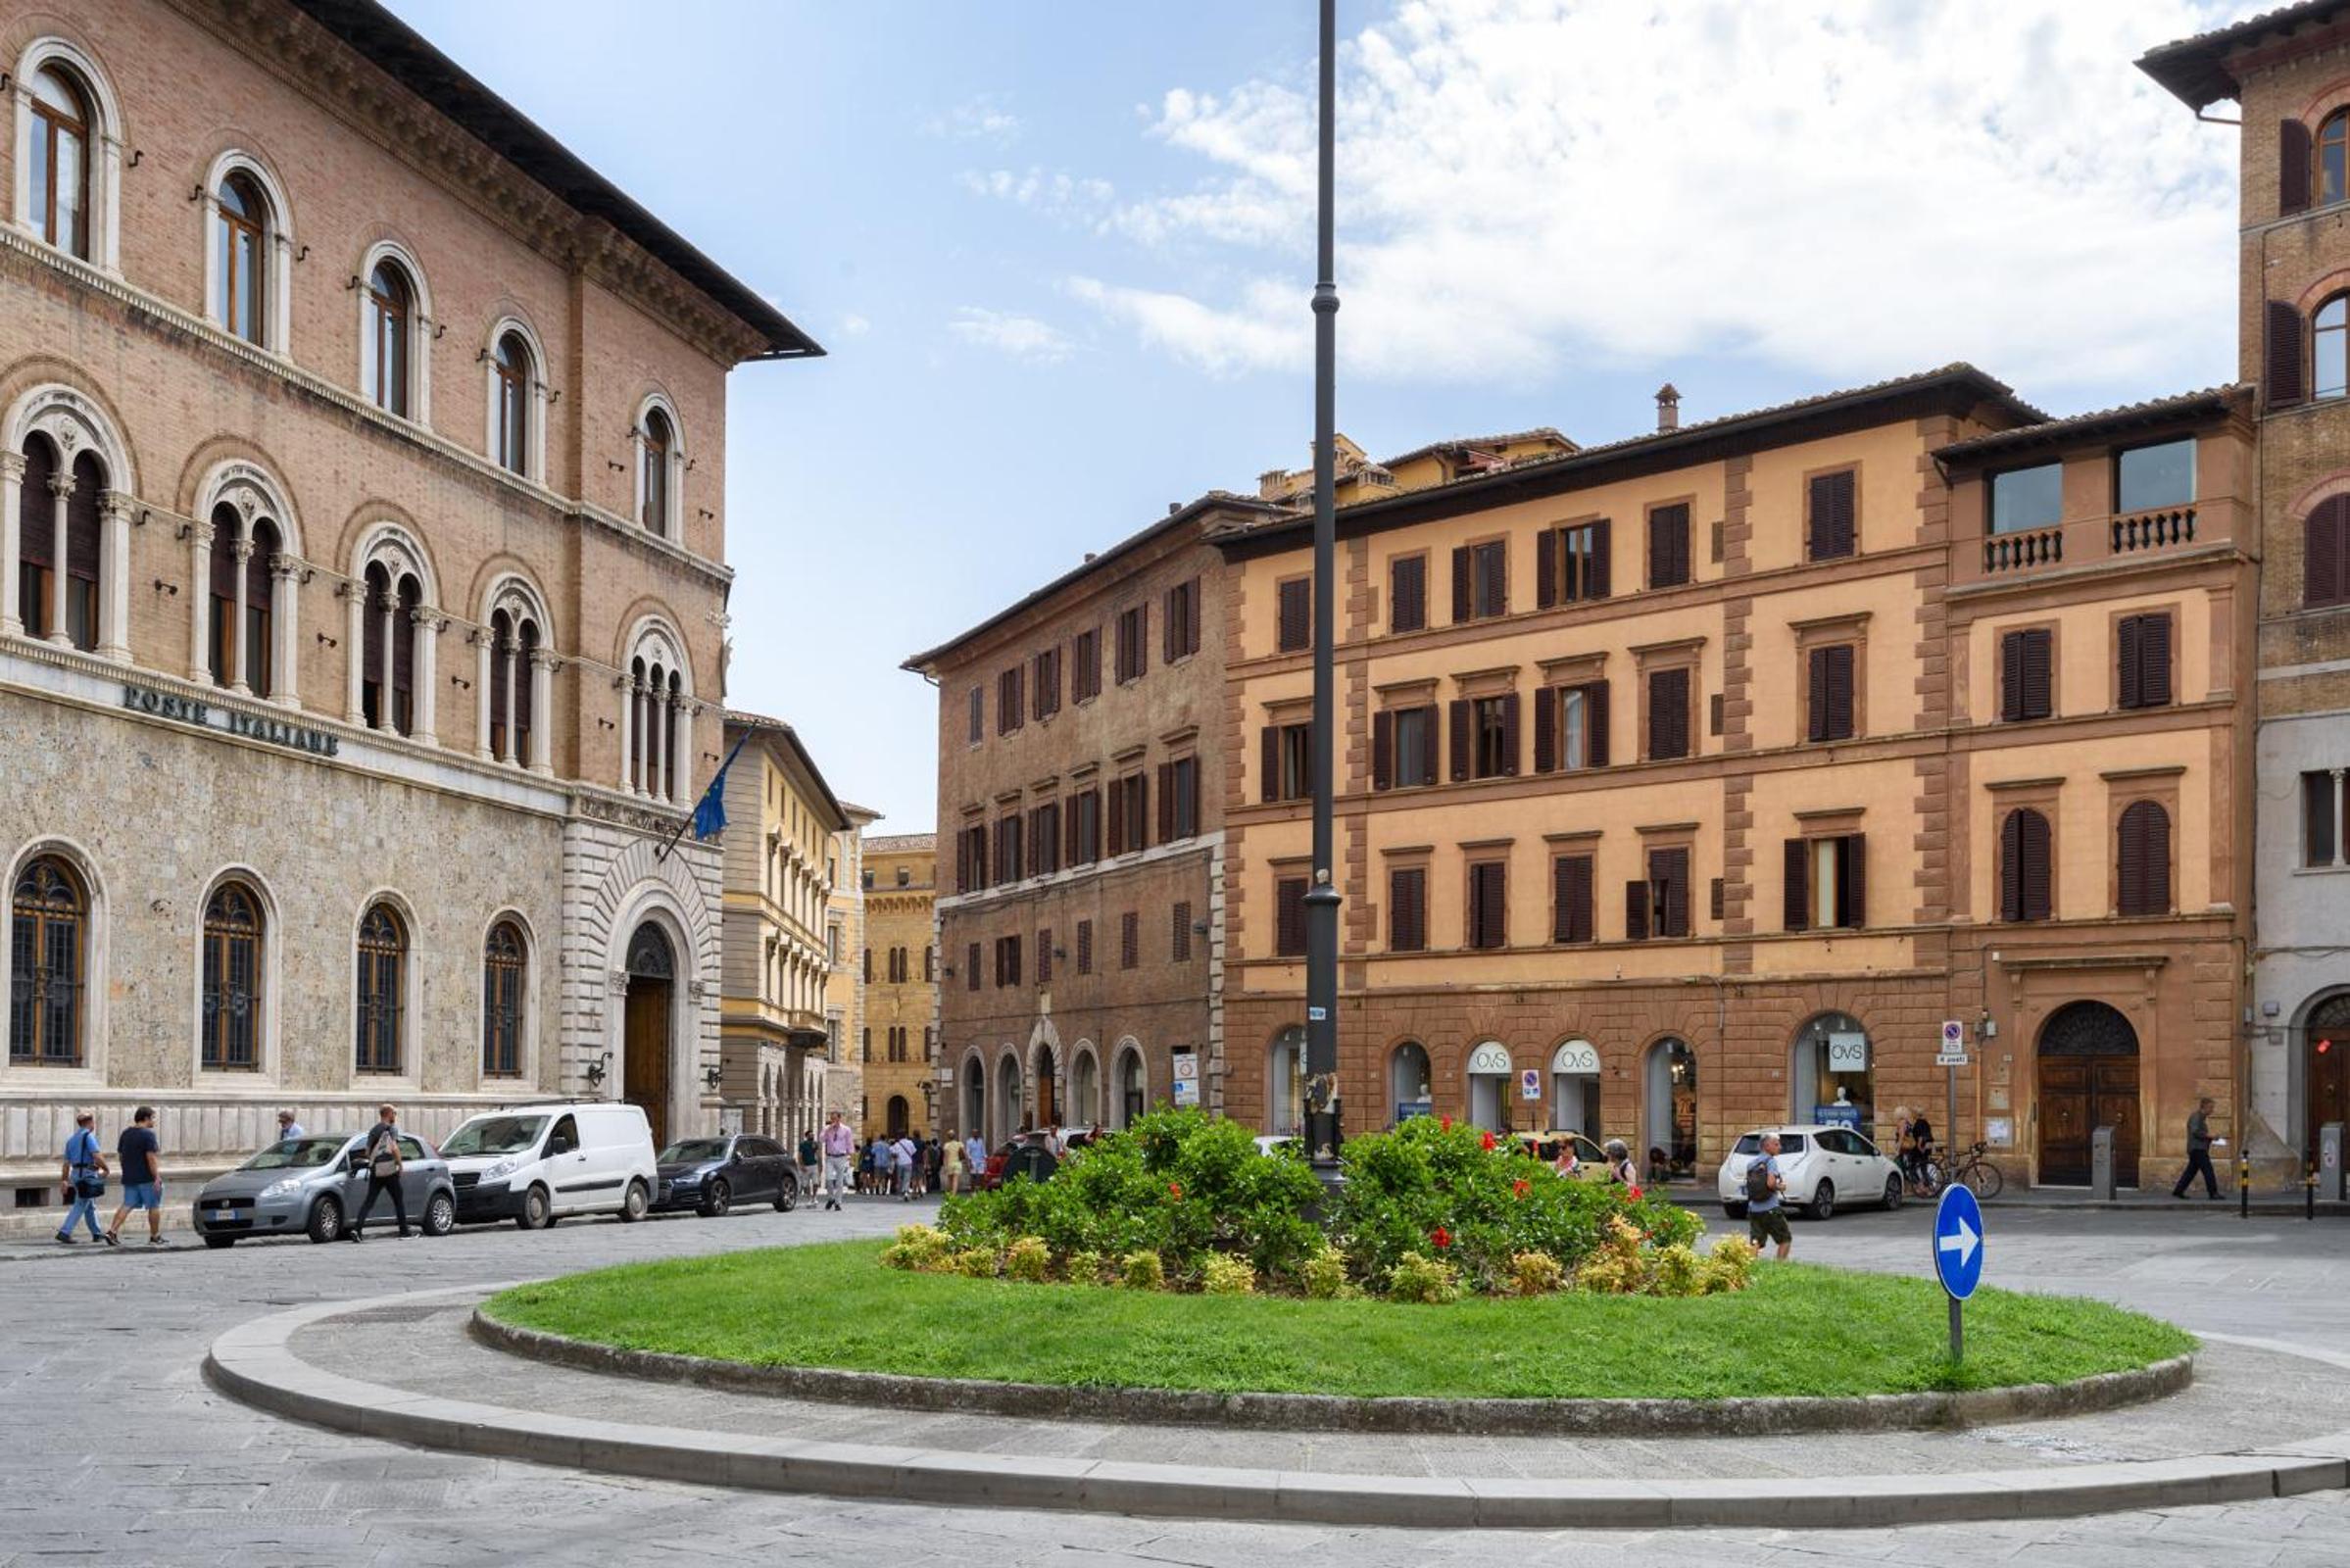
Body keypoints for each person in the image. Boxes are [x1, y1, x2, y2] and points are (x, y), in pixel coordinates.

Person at [106, 1105, 167, 1247]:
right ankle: (155, 1236)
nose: (154, 1121)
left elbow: (121, 1156)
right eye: (153, 1117)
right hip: (146, 1178)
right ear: (146, 1118)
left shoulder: (126, 1133)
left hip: (130, 1177)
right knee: (154, 1206)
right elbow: (151, 1158)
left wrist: (127, 1170)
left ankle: (112, 1231)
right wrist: (156, 1176)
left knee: (127, 1205)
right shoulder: (148, 1135)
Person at [347, 1103, 409, 1241]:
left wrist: (376, 1161)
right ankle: (404, 1231)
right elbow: (394, 1148)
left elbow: (367, 1152)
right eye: (394, 1113)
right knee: (398, 1200)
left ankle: (357, 1230)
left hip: (376, 1170)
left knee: (369, 1201)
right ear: (389, 1114)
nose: (395, 1116)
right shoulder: (391, 1129)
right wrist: (400, 1165)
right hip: (390, 1170)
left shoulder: (373, 1130)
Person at [57, 1110, 108, 1245]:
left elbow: (66, 1164)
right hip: (88, 1173)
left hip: (76, 1174)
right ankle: (64, 1232)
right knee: (81, 1203)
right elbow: (96, 1155)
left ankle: (96, 1233)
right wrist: (106, 1168)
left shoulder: (71, 1140)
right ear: (89, 1123)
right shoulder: (88, 1136)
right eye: (93, 1122)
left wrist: (64, 1180)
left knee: (89, 1204)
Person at [1745, 1132, 1792, 1260]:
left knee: (1756, 1241)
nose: (1780, 1147)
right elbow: (1771, 1184)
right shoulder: (1771, 1162)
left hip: (1754, 1209)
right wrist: (1780, 1187)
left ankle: (1751, 1266)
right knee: (1785, 1239)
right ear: (1766, 1146)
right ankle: (1780, 1268)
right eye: (1776, 1144)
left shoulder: (1751, 1164)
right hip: (1771, 1209)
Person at [2174, 1097, 2221, 1200]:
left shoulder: (2201, 1118)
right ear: (2205, 1107)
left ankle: (2178, 1191)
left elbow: (2199, 1133)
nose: (2212, 1110)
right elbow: (2195, 1131)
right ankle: (2213, 1193)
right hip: (2197, 1149)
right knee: (2208, 1170)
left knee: (2190, 1171)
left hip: (2197, 1148)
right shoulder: (2196, 1117)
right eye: (2211, 1107)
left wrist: (2210, 1138)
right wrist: (2209, 1136)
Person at [818, 1111, 856, 1210]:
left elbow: (849, 1142)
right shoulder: (827, 1129)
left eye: (835, 1118)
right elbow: (821, 1139)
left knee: (839, 1182)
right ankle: (831, 1198)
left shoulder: (846, 1129)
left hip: (841, 1157)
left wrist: (851, 1156)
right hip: (830, 1157)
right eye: (831, 1119)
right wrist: (828, 1129)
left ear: (839, 1119)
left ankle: (838, 1203)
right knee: (829, 1179)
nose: (833, 1120)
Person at [892, 1133, 918, 1200]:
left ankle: (900, 1194)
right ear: (905, 1136)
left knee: (900, 1179)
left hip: (900, 1163)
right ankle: (906, 1192)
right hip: (908, 1163)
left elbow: (893, 1153)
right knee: (907, 1179)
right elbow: (914, 1151)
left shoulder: (897, 1144)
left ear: (898, 1136)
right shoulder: (910, 1142)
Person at [797, 1129, 819, 1196]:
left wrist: (820, 1165)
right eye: (810, 1135)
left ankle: (814, 1197)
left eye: (813, 1135)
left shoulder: (815, 1144)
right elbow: (799, 1156)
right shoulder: (802, 1144)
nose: (812, 1136)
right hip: (805, 1166)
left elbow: (817, 1154)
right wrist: (801, 1165)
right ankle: (809, 1197)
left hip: (814, 1165)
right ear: (807, 1136)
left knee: (816, 1183)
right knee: (806, 1185)